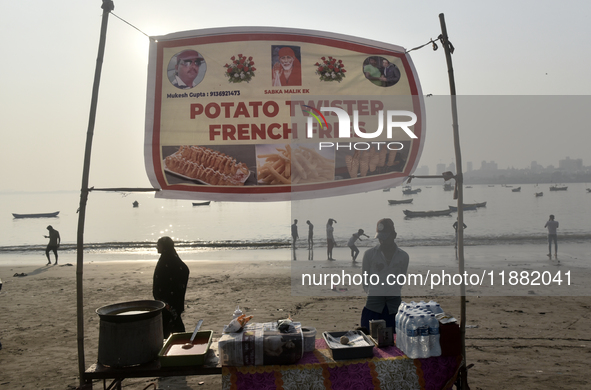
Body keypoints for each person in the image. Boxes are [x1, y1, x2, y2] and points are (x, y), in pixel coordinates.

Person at [361, 218, 409, 331]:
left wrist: (392, 290)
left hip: (394, 306)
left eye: (385, 237)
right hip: (373, 306)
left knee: (394, 340)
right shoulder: (369, 255)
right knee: (369, 337)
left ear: (394, 235)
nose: (382, 241)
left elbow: (401, 280)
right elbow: (365, 279)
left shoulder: (403, 256)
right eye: (380, 238)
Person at [153, 236, 190, 338]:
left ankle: (180, 342)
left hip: (170, 300)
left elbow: (184, 270)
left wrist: (172, 292)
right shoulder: (166, 257)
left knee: (171, 322)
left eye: (158, 245)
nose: (157, 247)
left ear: (164, 246)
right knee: (172, 322)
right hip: (165, 299)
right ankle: (181, 341)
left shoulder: (170, 258)